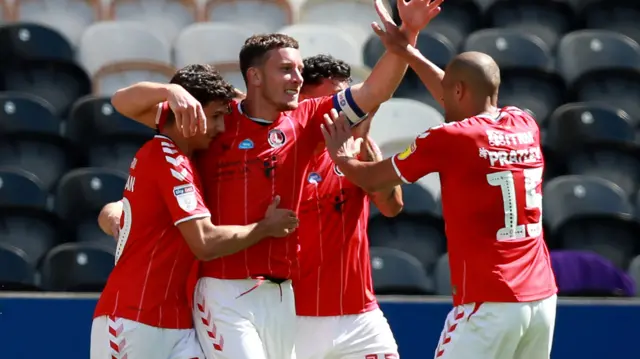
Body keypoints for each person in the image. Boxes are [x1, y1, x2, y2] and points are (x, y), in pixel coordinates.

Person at [102, 1, 442, 358]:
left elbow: (375, 92)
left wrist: (407, 37)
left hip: (282, 296)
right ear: (255, 77)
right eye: (286, 69)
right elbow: (123, 102)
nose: (297, 78)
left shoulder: (309, 119)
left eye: (298, 69)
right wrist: (169, 92)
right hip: (224, 292)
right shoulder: (218, 121)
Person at [319, 17, 558, 359]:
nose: (441, 99)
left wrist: (343, 158)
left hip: (488, 302)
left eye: (448, 93)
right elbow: (461, 93)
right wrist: (406, 52)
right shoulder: (525, 123)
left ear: (458, 91)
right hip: (541, 300)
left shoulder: (451, 139)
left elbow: (373, 180)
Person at [90, 64, 299, 359]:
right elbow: (204, 242)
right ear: (189, 112)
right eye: (215, 117)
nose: (221, 127)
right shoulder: (169, 158)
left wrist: (115, 214)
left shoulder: (182, 150)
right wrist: (265, 228)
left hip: (180, 325)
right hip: (132, 320)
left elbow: (111, 212)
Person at [294, 54, 403, 359]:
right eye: (331, 100)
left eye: (345, 99)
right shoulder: (281, 157)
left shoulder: (358, 151)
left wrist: (364, 151)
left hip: (360, 315)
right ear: (302, 101)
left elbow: (392, 206)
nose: (342, 110)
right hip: (295, 317)